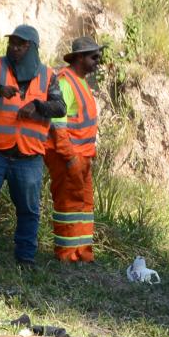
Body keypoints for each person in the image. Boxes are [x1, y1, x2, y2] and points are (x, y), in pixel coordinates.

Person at [0, 24, 64, 266]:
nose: (13, 47)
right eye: (11, 42)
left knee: (29, 210)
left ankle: (25, 259)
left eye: (19, 44)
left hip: (29, 156)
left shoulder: (48, 76)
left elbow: (60, 107)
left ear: (30, 47)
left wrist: (38, 106)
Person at [45, 37, 103, 262]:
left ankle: (82, 254)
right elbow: (57, 126)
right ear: (79, 57)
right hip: (67, 157)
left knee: (83, 205)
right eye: (94, 57)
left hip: (83, 156)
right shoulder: (65, 82)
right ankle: (67, 255)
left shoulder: (80, 81)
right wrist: (70, 158)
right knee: (68, 206)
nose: (98, 62)